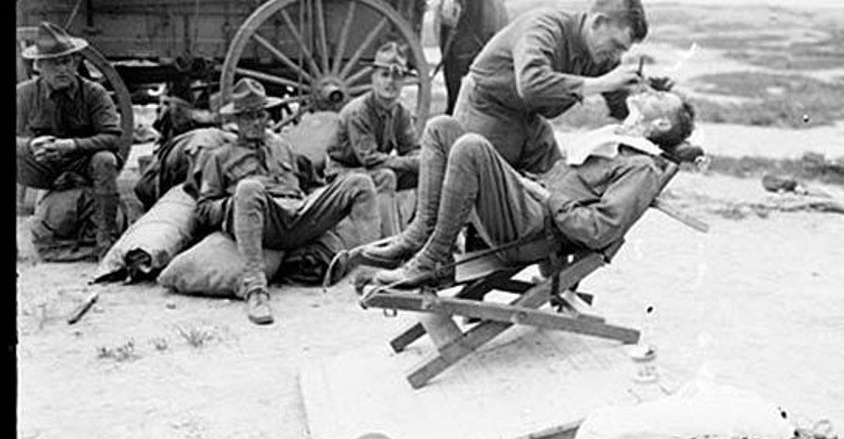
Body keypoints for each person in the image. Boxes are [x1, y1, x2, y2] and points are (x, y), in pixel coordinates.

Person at [329, 89, 696, 288]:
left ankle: (434, 257)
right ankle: (418, 237)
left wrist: (546, 197)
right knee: (442, 128)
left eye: (659, 99)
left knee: (471, 148)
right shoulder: (614, 143)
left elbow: (599, 230)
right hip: (530, 203)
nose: (649, 92)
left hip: (538, 230)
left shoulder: (641, 167)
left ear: (660, 122)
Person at [191, 78, 381, 324]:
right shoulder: (220, 157)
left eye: (261, 114)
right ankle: (255, 290)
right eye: (248, 117)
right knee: (248, 188)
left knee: (359, 182)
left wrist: (316, 200)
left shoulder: (283, 147)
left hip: (300, 216)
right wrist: (231, 206)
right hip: (266, 222)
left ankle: (371, 274)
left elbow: (312, 183)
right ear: (236, 121)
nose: (257, 122)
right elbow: (203, 209)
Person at [452, 0, 668, 176]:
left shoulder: (602, 52)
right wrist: (602, 83)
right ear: (597, 21)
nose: (615, 57)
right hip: (487, 109)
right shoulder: (544, 27)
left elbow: (620, 104)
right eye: (616, 45)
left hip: (529, 121)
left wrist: (648, 98)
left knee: (560, 187)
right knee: (487, 195)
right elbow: (532, 85)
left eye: (623, 50)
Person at [16, 21, 124, 258]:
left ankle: (105, 241)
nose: (62, 69)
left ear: (76, 63)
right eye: (54, 63)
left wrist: (72, 145)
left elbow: (113, 138)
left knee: (105, 159)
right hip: (43, 165)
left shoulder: (94, 93)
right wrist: (30, 146)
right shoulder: (24, 94)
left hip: (81, 164)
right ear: (39, 66)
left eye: (67, 61)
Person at [325, 41, 420, 237]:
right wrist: (411, 161)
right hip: (343, 173)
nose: (390, 82)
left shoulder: (400, 112)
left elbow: (412, 148)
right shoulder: (358, 112)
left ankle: (425, 234)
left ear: (403, 82)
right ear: (373, 78)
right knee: (386, 176)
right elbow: (368, 158)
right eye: (384, 75)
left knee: (426, 172)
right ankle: (391, 242)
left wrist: (421, 161)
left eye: (397, 77)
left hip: (373, 170)